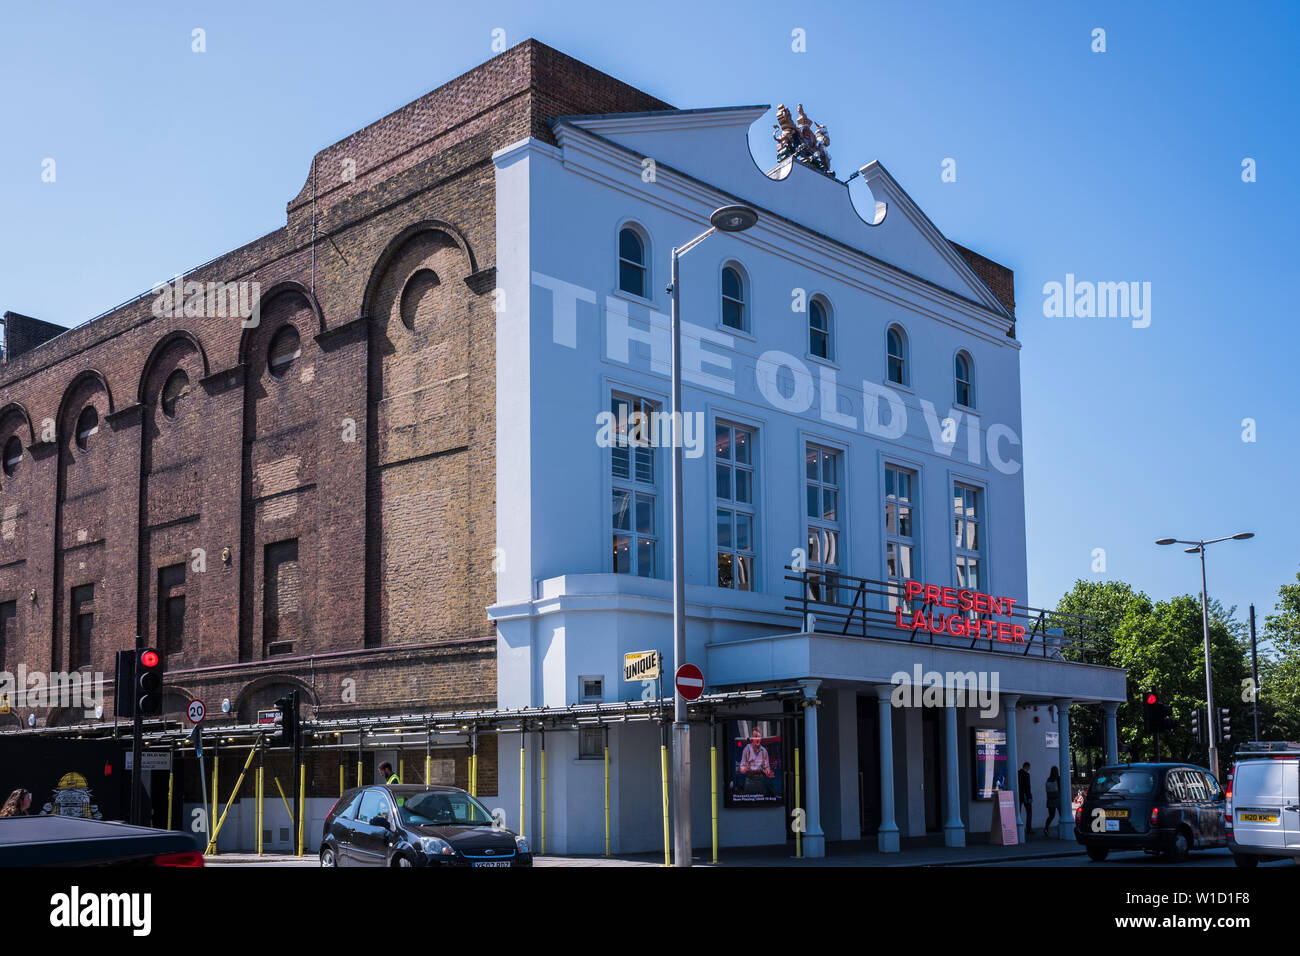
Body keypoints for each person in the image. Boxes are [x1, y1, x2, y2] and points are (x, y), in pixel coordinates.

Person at [737, 727, 775, 797]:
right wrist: (745, 769)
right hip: (749, 781)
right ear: (752, 738)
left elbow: (767, 768)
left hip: (761, 781)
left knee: (762, 802)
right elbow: (741, 769)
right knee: (748, 802)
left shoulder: (764, 751)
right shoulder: (746, 749)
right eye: (756, 737)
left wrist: (768, 773)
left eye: (759, 737)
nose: (758, 739)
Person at [1043, 765, 1061, 837]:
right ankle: (1062, 828)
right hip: (1058, 799)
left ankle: (1046, 828)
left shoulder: (1048, 779)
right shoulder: (1058, 779)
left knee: (1051, 816)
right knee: (1062, 814)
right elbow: (1061, 788)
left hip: (1050, 800)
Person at [1018, 762, 1033, 835]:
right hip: (1025, 796)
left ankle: (1017, 826)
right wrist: (1029, 796)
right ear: (1026, 767)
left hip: (1018, 795)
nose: (1029, 769)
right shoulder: (1027, 775)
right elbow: (1028, 787)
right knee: (1029, 812)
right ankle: (1028, 829)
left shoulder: (1017, 773)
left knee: (1018, 812)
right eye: (1029, 767)